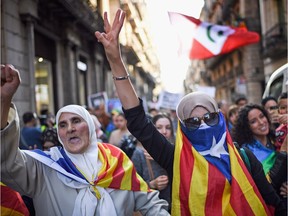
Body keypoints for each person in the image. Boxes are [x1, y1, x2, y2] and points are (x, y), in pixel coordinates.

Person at [95, 9, 288, 215]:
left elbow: (275, 203)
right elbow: (137, 121)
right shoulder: (176, 160)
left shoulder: (244, 158)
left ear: (220, 119)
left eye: (209, 117)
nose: (203, 125)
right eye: (194, 121)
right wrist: (116, 60)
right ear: (184, 127)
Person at [0, 64, 169, 215]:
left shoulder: (115, 159)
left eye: (76, 121)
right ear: (59, 134)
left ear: (90, 127)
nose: (70, 129)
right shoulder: (45, 166)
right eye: (63, 125)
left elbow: (149, 202)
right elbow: (6, 163)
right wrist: (4, 100)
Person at [232, 103, 287, 199]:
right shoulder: (248, 152)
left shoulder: (277, 137)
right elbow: (269, 185)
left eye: (262, 116)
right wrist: (284, 151)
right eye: (253, 121)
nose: (261, 122)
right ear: (247, 127)